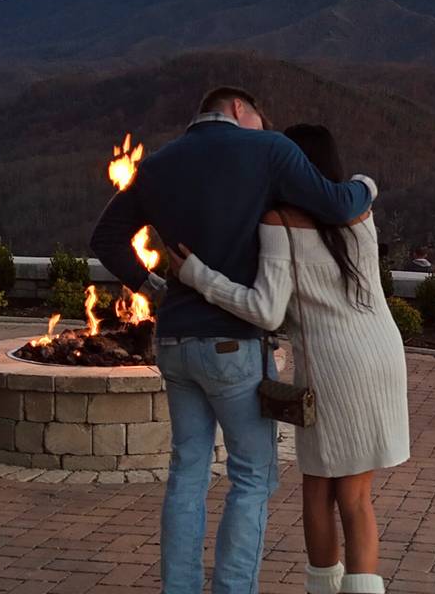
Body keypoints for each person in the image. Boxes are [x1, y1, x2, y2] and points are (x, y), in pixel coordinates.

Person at [89, 87, 376, 594]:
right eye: (260, 119)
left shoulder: (156, 164)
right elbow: (334, 203)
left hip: (175, 342)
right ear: (240, 110)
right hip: (234, 344)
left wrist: (154, 286)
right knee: (250, 477)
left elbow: (106, 238)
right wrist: (366, 186)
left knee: (186, 474)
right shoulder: (267, 148)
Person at [171, 124, 409, 594]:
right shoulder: (359, 209)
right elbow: (365, 184)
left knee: (327, 492)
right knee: (350, 493)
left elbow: (265, 309)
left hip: (333, 364)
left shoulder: (278, 222)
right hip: (383, 351)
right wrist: (363, 186)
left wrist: (199, 276)